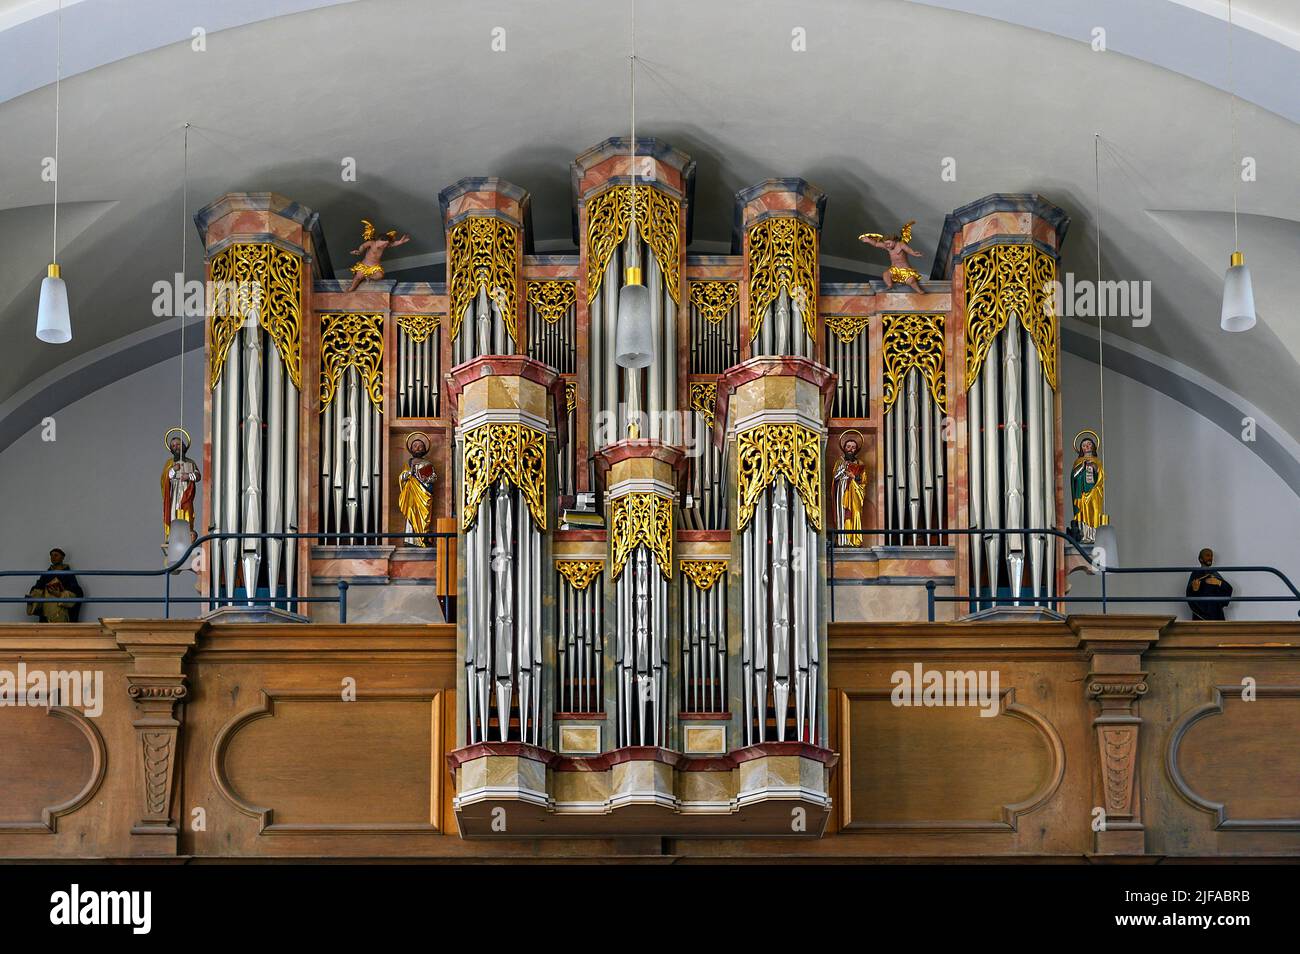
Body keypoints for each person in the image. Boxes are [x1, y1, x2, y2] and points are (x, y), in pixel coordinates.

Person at [162, 426, 201, 556]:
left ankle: (188, 535)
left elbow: (198, 476)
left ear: (184, 446)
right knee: (173, 513)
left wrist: (188, 476)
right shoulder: (169, 463)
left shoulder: (191, 462)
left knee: (187, 514)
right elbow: (165, 478)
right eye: (173, 446)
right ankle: (171, 537)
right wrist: (173, 470)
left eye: (178, 444)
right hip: (174, 493)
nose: (176, 447)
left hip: (186, 493)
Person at [347, 218, 411, 292]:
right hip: (364, 265)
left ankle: (368, 277)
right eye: (384, 244)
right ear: (380, 240)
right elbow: (363, 246)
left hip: (375, 267)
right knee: (357, 277)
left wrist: (400, 242)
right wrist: (359, 251)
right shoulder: (371, 243)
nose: (385, 246)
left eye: (386, 244)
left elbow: (393, 244)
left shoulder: (383, 246)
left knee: (380, 276)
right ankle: (351, 288)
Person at [397, 432, 437, 546]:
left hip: (424, 493)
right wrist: (409, 473)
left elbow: (433, 477)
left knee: (424, 515)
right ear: (411, 449)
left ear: (424, 449)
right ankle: (411, 539)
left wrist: (425, 478)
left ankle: (423, 537)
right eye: (415, 446)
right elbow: (401, 477)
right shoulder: (408, 464)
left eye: (420, 446)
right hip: (411, 494)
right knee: (411, 512)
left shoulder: (427, 463)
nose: (418, 448)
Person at [26, 548, 84, 623]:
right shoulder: (46, 574)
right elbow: (38, 589)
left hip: (61, 615)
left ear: (62, 558)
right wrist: (32, 598)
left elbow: (77, 593)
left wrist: (60, 594)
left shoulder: (68, 574)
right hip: (46, 615)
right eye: (51, 556)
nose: (53, 557)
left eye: (56, 555)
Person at [832, 430, 869, 546]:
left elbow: (864, 481)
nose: (850, 449)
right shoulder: (839, 462)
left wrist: (854, 476)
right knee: (843, 515)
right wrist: (844, 468)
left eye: (853, 447)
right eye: (848, 446)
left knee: (856, 513)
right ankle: (843, 541)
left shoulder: (860, 464)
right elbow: (835, 477)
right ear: (844, 448)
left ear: (856, 449)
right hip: (842, 492)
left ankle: (855, 540)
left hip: (856, 492)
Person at [1070, 429, 1106, 544]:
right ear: (1081, 449)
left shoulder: (1097, 461)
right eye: (1084, 445)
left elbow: (1101, 475)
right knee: (1084, 514)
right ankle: (1085, 535)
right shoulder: (1078, 461)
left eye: (1089, 444)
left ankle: (1094, 535)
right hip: (1082, 492)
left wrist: (1094, 466)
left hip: (1094, 491)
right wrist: (1083, 465)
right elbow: (1074, 475)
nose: (1087, 447)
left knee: (1095, 512)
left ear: (1093, 446)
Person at [1187, 548, 1233, 621]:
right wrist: (1194, 590)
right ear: (1201, 559)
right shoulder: (1195, 573)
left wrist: (1219, 582)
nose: (1210, 558)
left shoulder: (1214, 573)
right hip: (1201, 612)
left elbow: (1228, 588)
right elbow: (1189, 593)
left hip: (1215, 612)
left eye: (1211, 556)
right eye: (1207, 555)